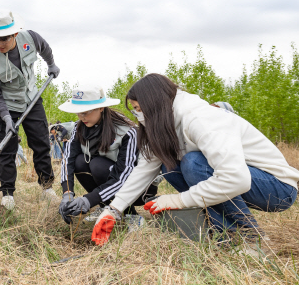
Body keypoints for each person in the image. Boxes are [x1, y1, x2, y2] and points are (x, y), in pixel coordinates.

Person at [91, 74, 299, 257]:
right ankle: (224, 235)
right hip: (244, 182)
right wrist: (114, 210)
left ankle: (248, 237)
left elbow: (236, 179)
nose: (137, 116)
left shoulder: (200, 119)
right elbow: (144, 169)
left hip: (277, 187)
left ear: (153, 104)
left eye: (138, 109)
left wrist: (178, 200)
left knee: (193, 164)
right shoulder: (166, 126)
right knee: (169, 166)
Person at [0, 10, 60, 209]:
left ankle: (47, 188)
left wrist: (51, 64)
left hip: (31, 100)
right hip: (6, 107)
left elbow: (45, 48)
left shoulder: (30, 38)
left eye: (3, 39)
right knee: (7, 151)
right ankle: (7, 194)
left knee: (41, 144)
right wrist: (6, 117)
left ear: (14, 34)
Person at [57, 86, 156, 229]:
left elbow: (123, 176)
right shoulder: (79, 128)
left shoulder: (127, 131)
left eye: (86, 112)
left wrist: (88, 200)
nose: (81, 117)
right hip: (110, 180)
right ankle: (105, 206)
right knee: (80, 162)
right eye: (78, 112)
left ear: (101, 108)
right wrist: (67, 193)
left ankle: (130, 213)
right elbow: (68, 160)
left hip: (137, 187)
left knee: (97, 164)